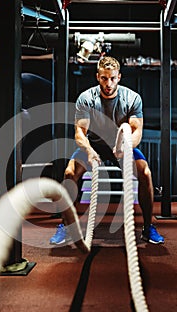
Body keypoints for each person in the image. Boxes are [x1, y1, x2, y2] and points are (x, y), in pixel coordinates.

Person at [50, 56, 164, 245]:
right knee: (70, 172)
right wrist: (88, 151)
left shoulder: (132, 98)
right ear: (98, 77)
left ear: (119, 77)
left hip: (122, 146)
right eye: (104, 78)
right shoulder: (86, 99)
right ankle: (66, 225)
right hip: (93, 146)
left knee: (145, 172)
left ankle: (147, 227)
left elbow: (136, 132)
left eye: (112, 78)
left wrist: (126, 148)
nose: (108, 83)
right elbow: (80, 133)